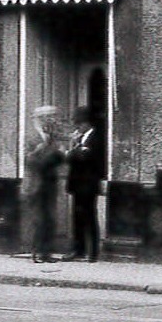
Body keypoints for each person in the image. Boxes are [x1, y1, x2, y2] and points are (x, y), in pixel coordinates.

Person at [23, 104, 65, 263]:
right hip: (35, 184)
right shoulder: (31, 136)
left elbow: (57, 161)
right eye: (50, 117)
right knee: (38, 219)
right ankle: (36, 252)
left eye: (54, 117)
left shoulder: (52, 137)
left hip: (49, 184)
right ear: (41, 119)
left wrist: (61, 153)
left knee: (50, 219)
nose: (54, 120)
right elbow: (29, 161)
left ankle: (46, 253)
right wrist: (42, 150)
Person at [65, 106, 105, 262]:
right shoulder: (81, 139)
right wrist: (75, 148)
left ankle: (93, 252)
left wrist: (74, 150)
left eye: (79, 123)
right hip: (77, 185)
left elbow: (84, 158)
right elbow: (74, 158)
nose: (77, 127)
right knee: (77, 218)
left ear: (87, 123)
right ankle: (79, 250)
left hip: (89, 186)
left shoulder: (96, 138)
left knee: (90, 218)